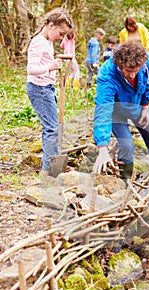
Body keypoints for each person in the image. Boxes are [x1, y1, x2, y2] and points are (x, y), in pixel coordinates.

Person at [92, 40, 149, 191]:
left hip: (137, 105)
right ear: (119, 64)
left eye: (136, 70)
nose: (132, 75)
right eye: (128, 70)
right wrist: (102, 148)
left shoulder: (146, 61)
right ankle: (125, 187)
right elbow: (103, 110)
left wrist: (145, 106)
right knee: (126, 145)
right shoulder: (107, 74)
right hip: (116, 111)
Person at [25, 8, 73, 177]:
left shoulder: (47, 41)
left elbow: (43, 59)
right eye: (61, 33)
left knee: (56, 126)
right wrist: (51, 66)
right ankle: (48, 171)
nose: (61, 38)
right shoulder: (38, 42)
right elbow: (31, 69)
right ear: (51, 25)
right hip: (39, 89)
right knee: (51, 128)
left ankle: (55, 163)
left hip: (47, 87)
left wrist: (55, 62)